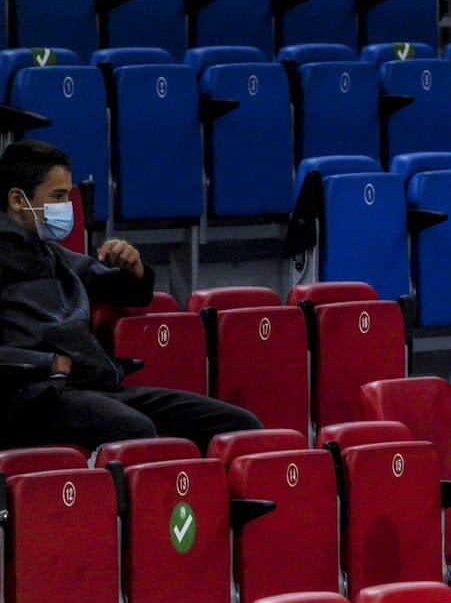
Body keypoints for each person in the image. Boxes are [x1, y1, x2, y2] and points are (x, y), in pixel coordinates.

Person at [0, 139, 262, 453]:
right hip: (33, 397)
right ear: (17, 199)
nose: (65, 208)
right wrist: (48, 363)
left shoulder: (55, 256)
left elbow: (129, 292)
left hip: (93, 388)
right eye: (57, 196)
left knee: (238, 425)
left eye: (68, 197)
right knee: (135, 430)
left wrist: (133, 268)